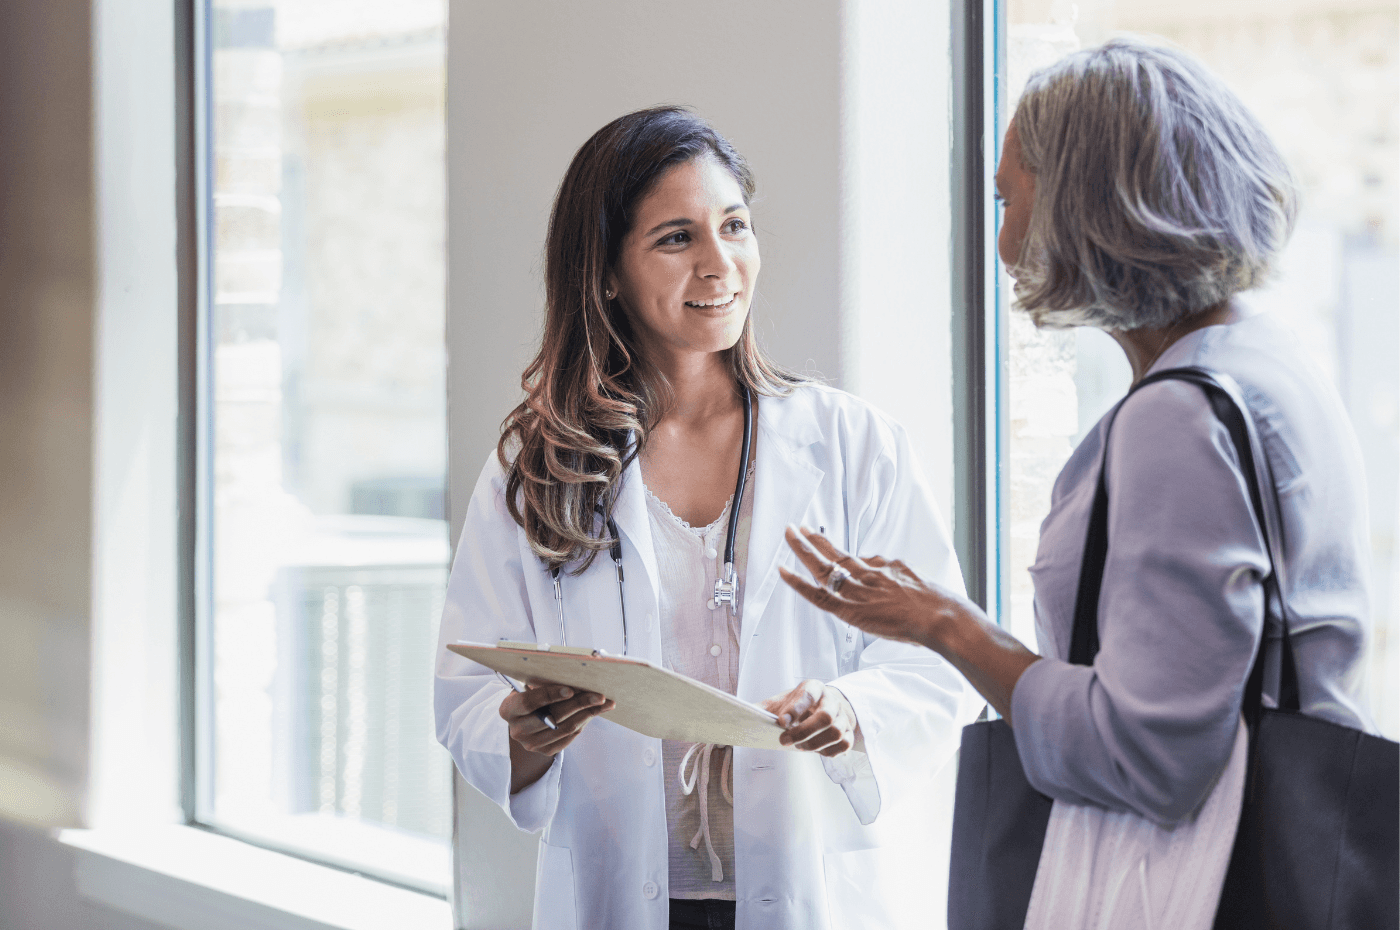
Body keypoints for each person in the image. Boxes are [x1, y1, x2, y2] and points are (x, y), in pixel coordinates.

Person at [780, 38, 1376, 927]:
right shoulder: (1266, 366)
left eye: (1007, 199)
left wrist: (948, 626)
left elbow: (1152, 756)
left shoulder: (1180, 417)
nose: (1002, 239)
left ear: (1083, 204)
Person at [434, 106, 978, 930]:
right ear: (606, 272)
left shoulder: (852, 444)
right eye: (676, 238)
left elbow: (940, 663)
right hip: (621, 894)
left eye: (735, 226)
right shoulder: (539, 463)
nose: (720, 264)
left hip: (808, 888)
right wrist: (521, 734)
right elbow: (467, 684)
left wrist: (853, 709)